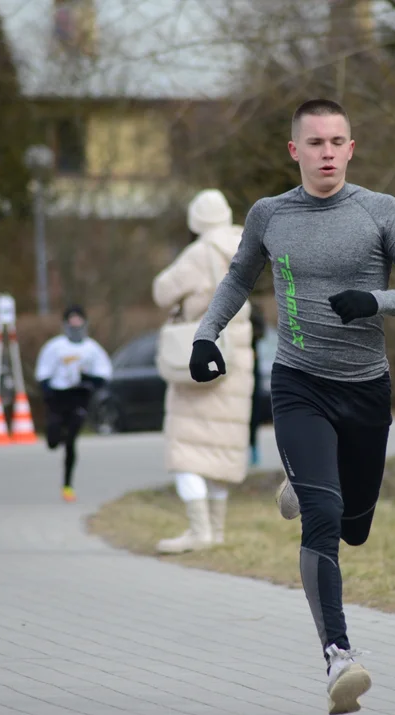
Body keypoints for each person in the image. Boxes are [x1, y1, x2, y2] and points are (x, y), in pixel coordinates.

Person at [187, 98, 395, 715]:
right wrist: (204, 335)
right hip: (299, 384)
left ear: (351, 149)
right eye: (316, 142)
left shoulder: (381, 211)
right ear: (294, 150)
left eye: (338, 142)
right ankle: (339, 656)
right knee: (324, 524)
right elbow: (236, 280)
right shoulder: (270, 215)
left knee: (355, 527)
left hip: (366, 390)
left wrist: (374, 302)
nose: (327, 153)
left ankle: (305, 483)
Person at [151, 188, 255, 554]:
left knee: (187, 450)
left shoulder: (199, 253)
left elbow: (162, 291)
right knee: (220, 449)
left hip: (201, 354)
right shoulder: (245, 244)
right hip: (237, 358)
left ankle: (199, 531)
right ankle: (218, 530)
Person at [34, 305, 113, 502]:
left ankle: (67, 485)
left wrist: (87, 378)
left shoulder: (92, 349)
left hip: (79, 397)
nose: (76, 324)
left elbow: (103, 376)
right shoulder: (55, 347)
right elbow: (43, 374)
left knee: (71, 441)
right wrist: (48, 393)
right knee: (53, 441)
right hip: (58, 397)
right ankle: (57, 434)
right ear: (66, 324)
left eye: (79, 320)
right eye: (72, 320)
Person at [248, 299, 267, 466]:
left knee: (254, 411)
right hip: (234, 367)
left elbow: (262, 332)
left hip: (252, 365)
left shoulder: (254, 309)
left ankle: (253, 447)